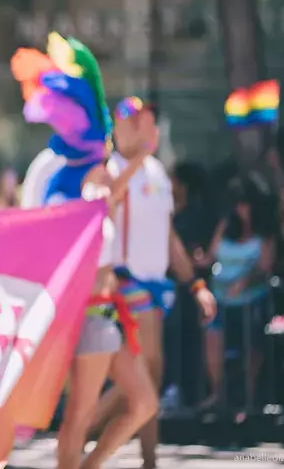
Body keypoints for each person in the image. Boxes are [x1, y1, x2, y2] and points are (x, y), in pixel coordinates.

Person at [12, 33, 158, 469]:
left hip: (107, 310)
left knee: (144, 401)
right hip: (89, 312)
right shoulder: (79, 187)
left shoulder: (97, 182)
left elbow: (111, 189)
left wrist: (138, 157)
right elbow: (92, 204)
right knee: (78, 416)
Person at [90, 97, 216, 469]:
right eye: (127, 119)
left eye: (142, 120)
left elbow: (169, 236)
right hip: (124, 284)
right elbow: (107, 199)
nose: (138, 126)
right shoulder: (108, 168)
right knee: (146, 376)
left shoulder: (159, 173)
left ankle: (139, 457)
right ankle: (82, 432)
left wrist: (195, 286)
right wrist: (140, 157)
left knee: (148, 381)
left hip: (158, 286)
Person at [201, 178, 275, 409]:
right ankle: (217, 392)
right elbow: (211, 256)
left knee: (252, 344)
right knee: (212, 336)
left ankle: (250, 397)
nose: (241, 209)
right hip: (221, 299)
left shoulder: (265, 234)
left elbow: (265, 268)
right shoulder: (225, 226)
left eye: (246, 204)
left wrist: (245, 281)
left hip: (252, 299)